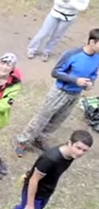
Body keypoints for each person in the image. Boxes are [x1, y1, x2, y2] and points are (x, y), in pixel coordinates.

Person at [14, 28, 99, 157]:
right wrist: (76, 80)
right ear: (92, 42)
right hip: (60, 92)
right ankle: (23, 141)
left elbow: (93, 74)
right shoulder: (72, 54)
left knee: (58, 119)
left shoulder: (97, 58)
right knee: (42, 118)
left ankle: (40, 139)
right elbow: (55, 72)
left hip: (75, 95)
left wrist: (90, 83)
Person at [27, 0, 93, 62]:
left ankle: (47, 51)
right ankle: (32, 49)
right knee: (44, 32)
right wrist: (74, 4)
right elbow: (57, 1)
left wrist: (69, 1)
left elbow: (83, 7)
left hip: (69, 17)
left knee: (57, 35)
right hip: (55, 13)